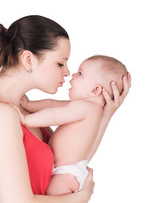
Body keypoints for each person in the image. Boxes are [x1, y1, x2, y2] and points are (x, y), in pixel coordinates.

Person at [0, 15, 131, 203]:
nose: (68, 72)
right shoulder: (5, 115)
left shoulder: (28, 113)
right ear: (29, 59)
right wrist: (79, 198)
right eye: (60, 63)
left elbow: (72, 161)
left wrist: (105, 113)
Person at [15, 54, 128, 196]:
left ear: (95, 90)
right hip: (67, 169)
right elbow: (52, 104)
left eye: (80, 73)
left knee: (53, 194)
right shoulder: (85, 107)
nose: (73, 74)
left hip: (66, 172)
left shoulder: (88, 109)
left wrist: (26, 120)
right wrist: (29, 104)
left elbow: (55, 116)